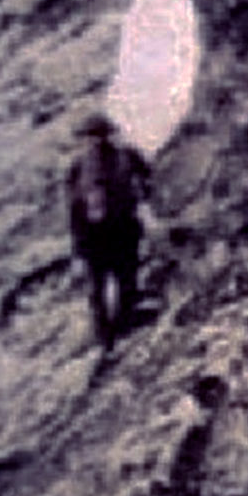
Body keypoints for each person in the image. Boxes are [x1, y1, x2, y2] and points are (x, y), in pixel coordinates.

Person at [68, 113, 150, 350]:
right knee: (97, 292)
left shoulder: (128, 157)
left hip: (123, 231)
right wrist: (78, 249)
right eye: (91, 136)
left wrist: (141, 200)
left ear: (109, 135)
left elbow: (147, 179)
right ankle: (106, 340)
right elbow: (74, 210)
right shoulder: (78, 168)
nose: (96, 141)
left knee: (127, 281)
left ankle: (124, 326)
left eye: (100, 135)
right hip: (95, 238)